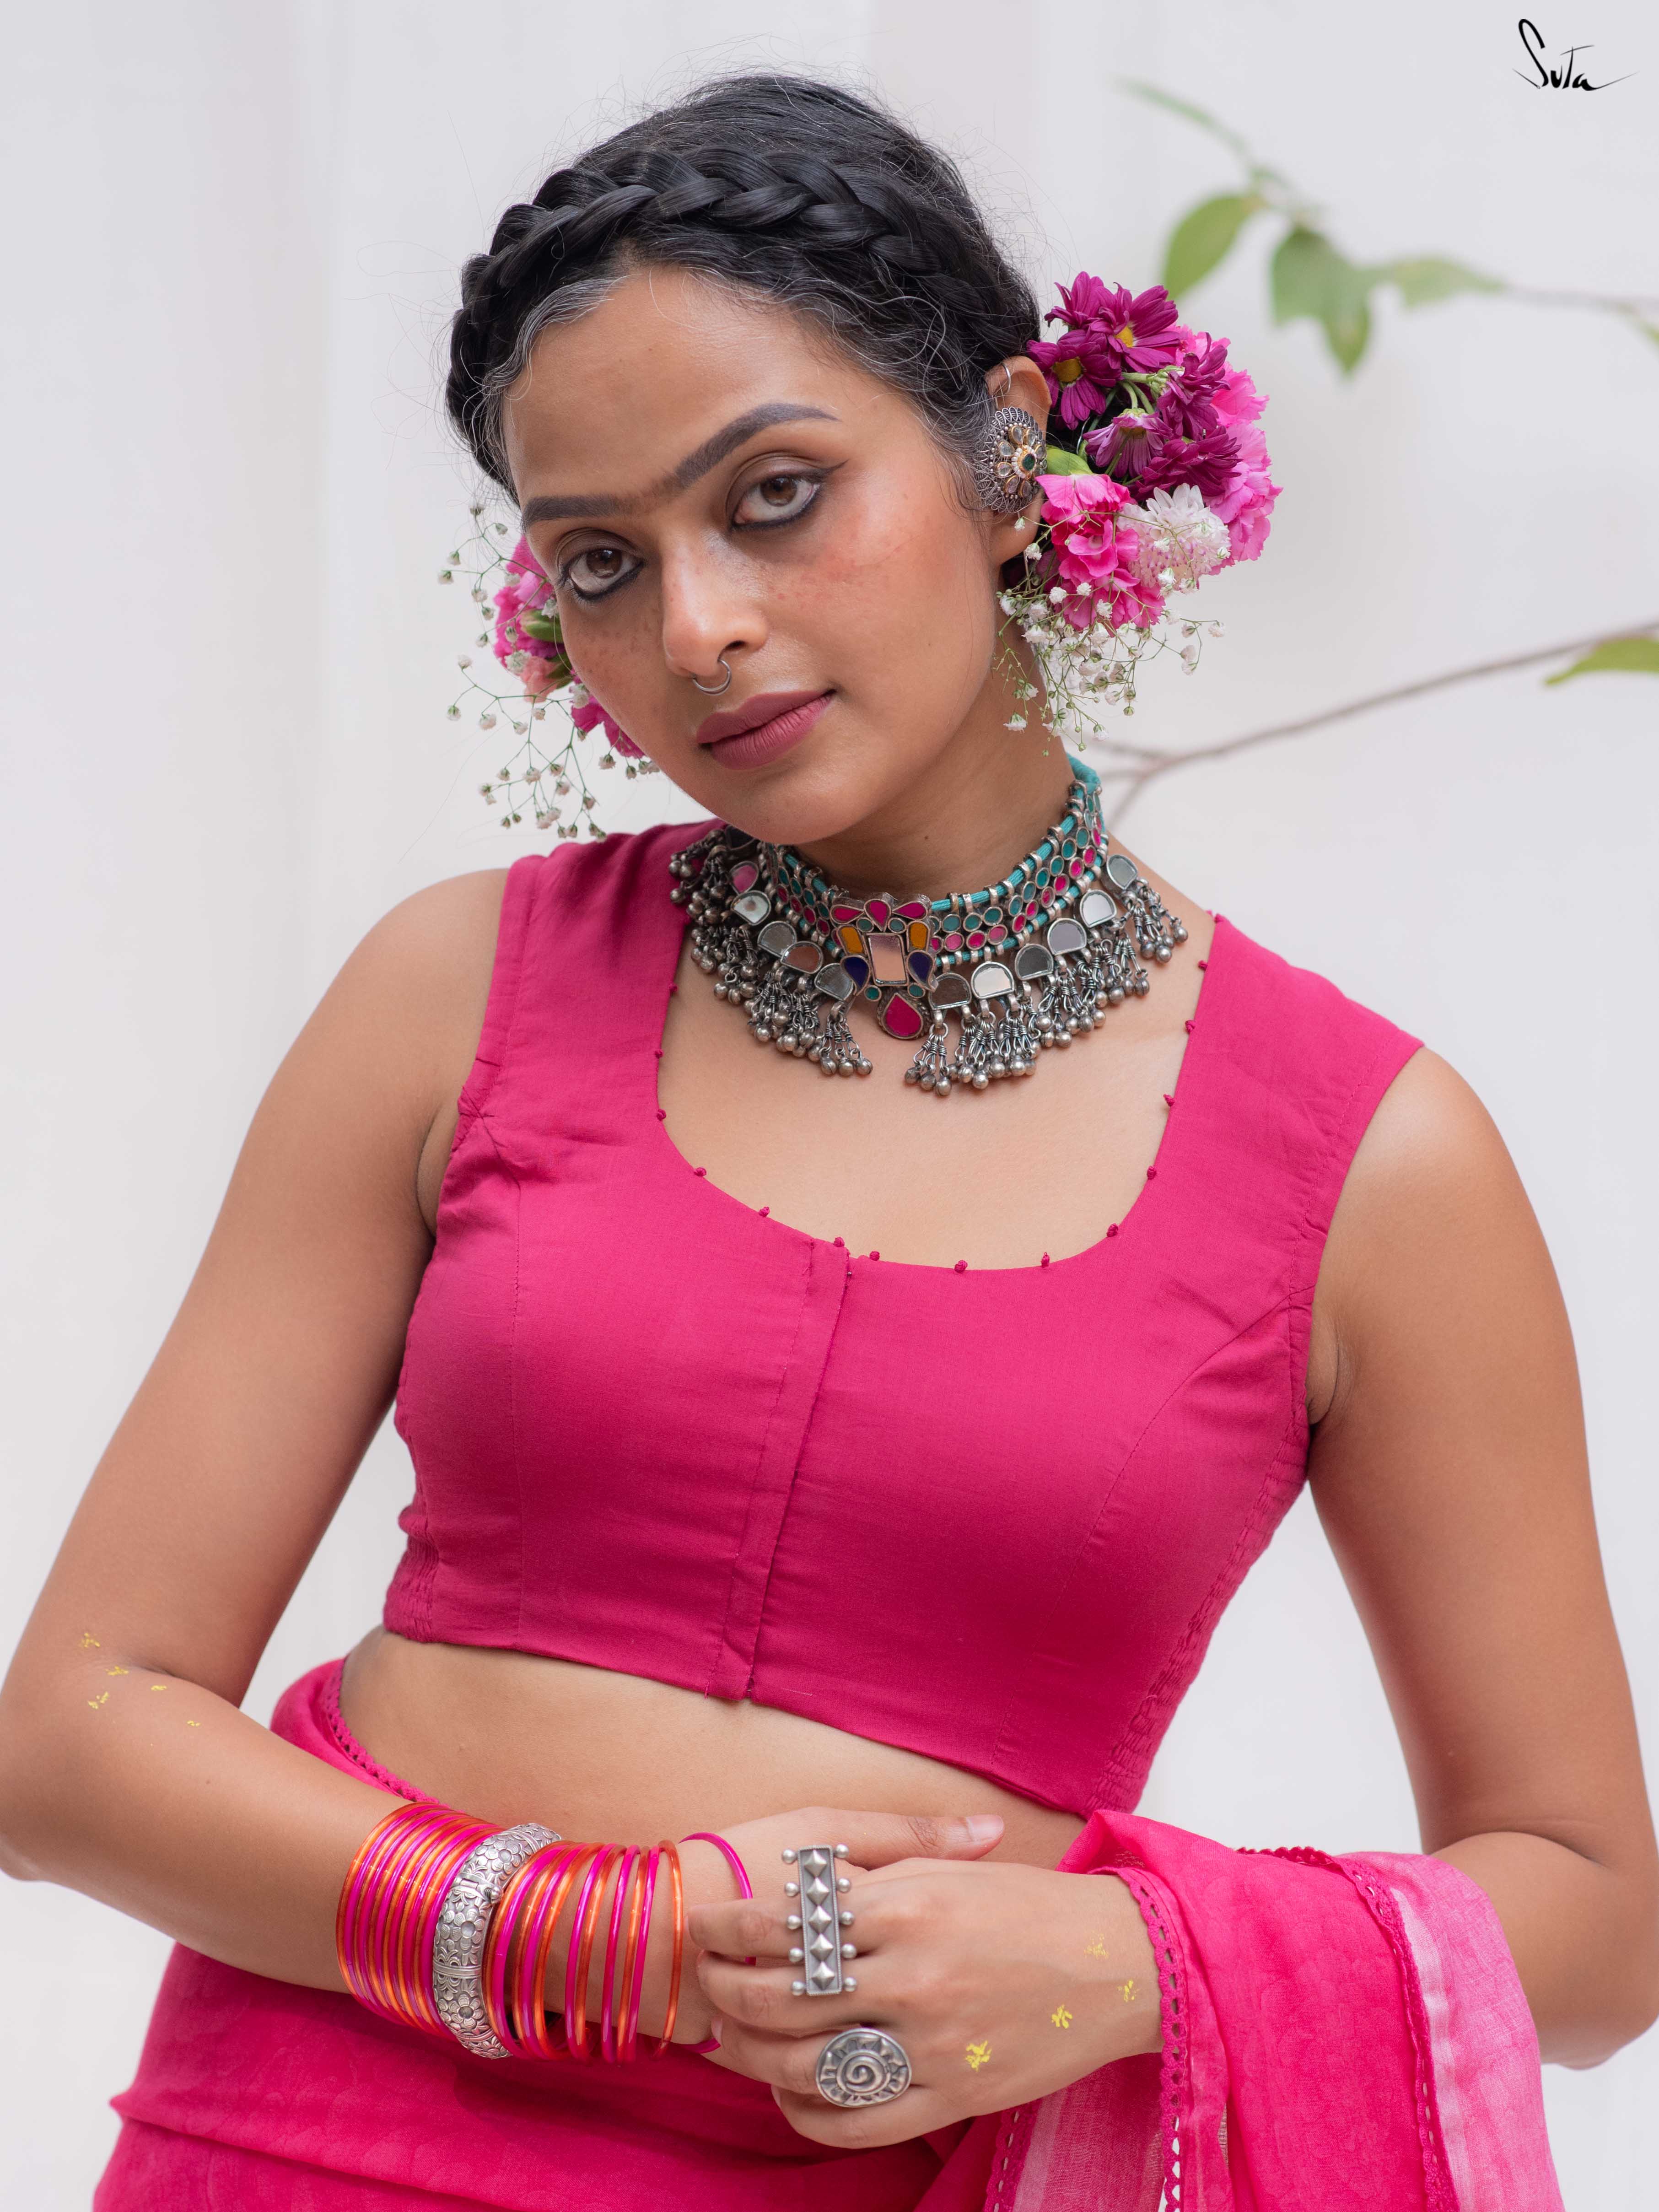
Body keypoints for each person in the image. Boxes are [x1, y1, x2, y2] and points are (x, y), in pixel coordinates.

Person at [1, 71, 1654, 2212]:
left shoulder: (1369, 1163)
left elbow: (1593, 1920)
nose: (692, 628)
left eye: (773, 497)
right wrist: (600, 1941)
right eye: (602, 562)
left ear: (1007, 454)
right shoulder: (456, 990)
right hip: (307, 2135)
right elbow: (72, 1736)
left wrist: (1123, 1963)